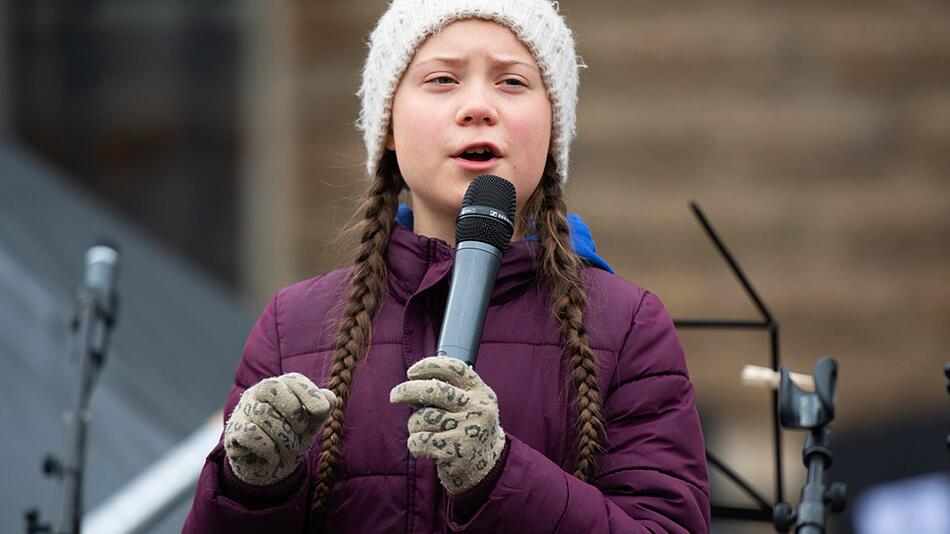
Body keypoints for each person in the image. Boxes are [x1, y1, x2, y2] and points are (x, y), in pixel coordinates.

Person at [184, 0, 710, 532]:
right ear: (388, 124)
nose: (478, 106)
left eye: (511, 82)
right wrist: (249, 486)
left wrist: (498, 473)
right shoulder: (291, 325)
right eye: (442, 79)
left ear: (553, 127)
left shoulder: (627, 326)